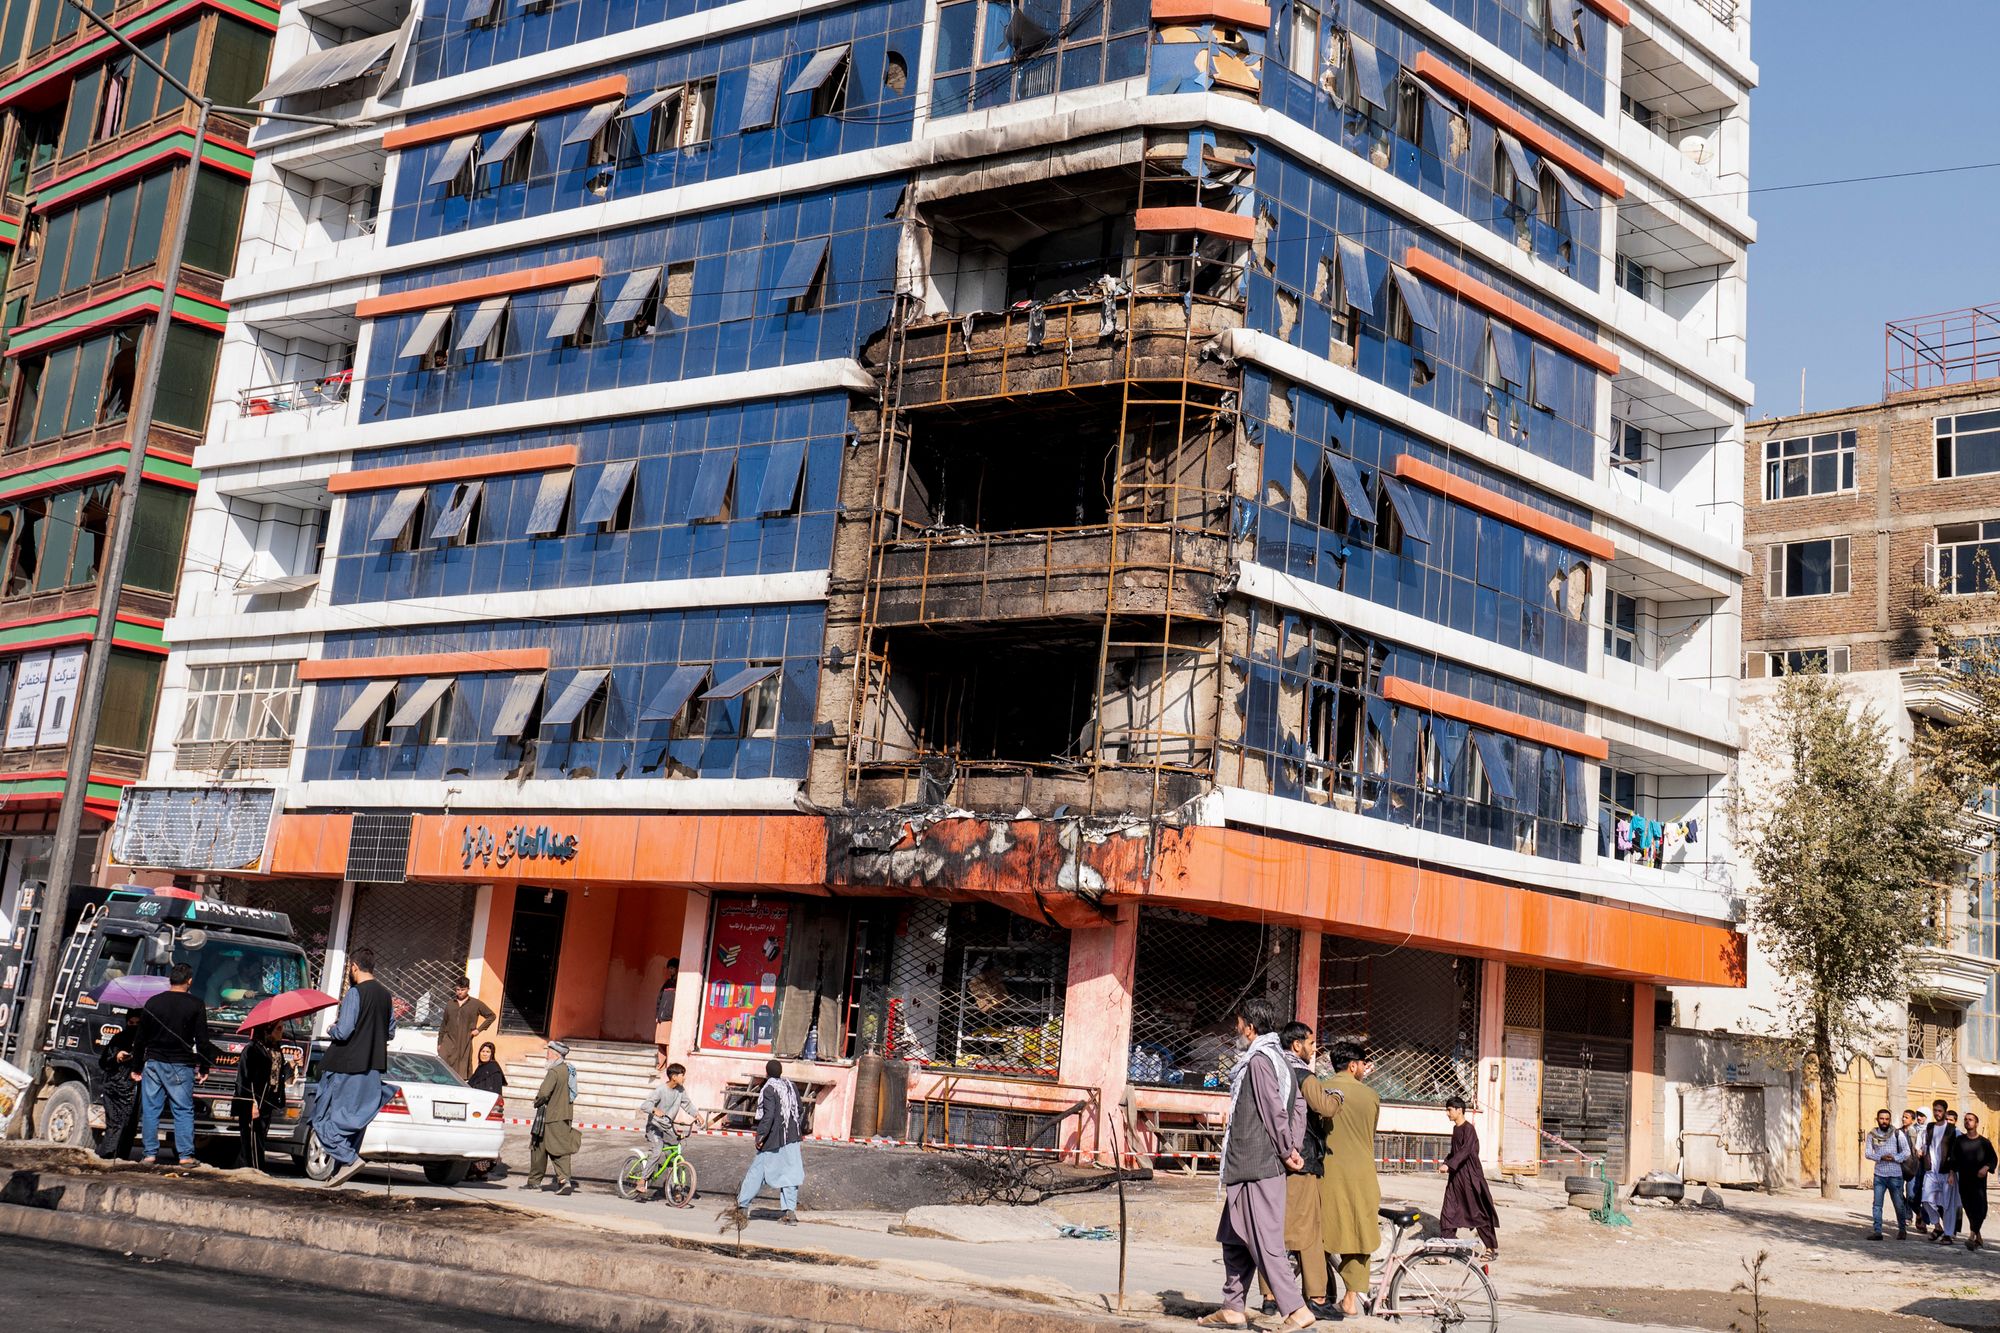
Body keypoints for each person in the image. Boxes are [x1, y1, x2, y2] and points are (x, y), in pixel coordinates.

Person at [1200, 999, 1310, 1331]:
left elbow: (1274, 1109)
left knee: (1264, 1239)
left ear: (1249, 1027)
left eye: (1238, 1024)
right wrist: (1294, 1143)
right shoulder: (1280, 1059)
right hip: (1247, 1163)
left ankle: (1296, 1310)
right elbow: (1299, 1106)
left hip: (1257, 1163)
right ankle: (1233, 1306)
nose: (1236, 1030)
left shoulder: (1261, 1061)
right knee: (1234, 1236)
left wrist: (1287, 1147)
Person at [1305, 1041, 1381, 1319]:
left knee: (1319, 1234)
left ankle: (1317, 1294)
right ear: (1353, 1065)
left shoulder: (1322, 1090)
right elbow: (1369, 1134)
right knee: (1358, 1236)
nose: (1364, 1069)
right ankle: (1350, 1300)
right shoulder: (1370, 1095)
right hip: (1362, 1176)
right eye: (1362, 1064)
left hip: (1328, 1175)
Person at [311, 947, 396, 1189]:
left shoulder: (355, 993)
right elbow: (390, 1031)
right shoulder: (386, 996)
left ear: (354, 967)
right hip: (372, 1068)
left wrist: (331, 1028)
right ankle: (338, 1172)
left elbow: (345, 1030)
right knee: (354, 1121)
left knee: (323, 1117)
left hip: (346, 1065)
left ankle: (349, 1159)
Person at [1258, 1022, 1327, 1315]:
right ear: (1297, 1045)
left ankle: (1269, 1295)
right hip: (1300, 1160)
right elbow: (1320, 1109)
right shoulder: (1302, 1075)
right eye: (1311, 1044)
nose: (1314, 1049)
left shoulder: (1266, 1068)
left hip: (1269, 1159)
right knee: (1307, 1230)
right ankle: (1315, 1297)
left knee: (1271, 1227)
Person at [137, 963, 218, 1167]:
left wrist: (136, 1067)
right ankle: (185, 1156)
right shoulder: (196, 1004)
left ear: (170, 980)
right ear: (189, 981)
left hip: (153, 1063)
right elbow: (202, 1040)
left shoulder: (153, 1002)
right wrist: (205, 1067)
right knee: (182, 1110)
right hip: (181, 1065)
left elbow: (140, 1039)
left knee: (150, 1110)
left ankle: (149, 1155)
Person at [721, 1059, 805, 1229]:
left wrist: (760, 1136)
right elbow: (800, 1110)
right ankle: (790, 1212)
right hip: (793, 1137)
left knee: (757, 1171)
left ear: (767, 1073)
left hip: (774, 1138)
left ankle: (742, 1207)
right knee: (790, 1174)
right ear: (780, 1071)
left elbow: (769, 1115)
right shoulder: (791, 1085)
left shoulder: (769, 1088)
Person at [1438, 1095, 1499, 1255]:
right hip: (1456, 1178)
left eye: (1449, 1110)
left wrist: (1449, 1164)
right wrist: (1446, 1161)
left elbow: (1465, 1151)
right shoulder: (1456, 1129)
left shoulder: (1468, 1129)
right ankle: (1446, 1251)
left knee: (1478, 1213)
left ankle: (1491, 1248)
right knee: (1448, 1213)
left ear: (1459, 1110)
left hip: (1470, 1178)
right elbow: (1455, 1152)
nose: (1447, 1113)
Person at [524, 1040, 581, 1195]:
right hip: (563, 1116)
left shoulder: (554, 1072)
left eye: (548, 1053)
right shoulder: (568, 1070)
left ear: (556, 1055)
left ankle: (563, 1180)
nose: (546, 1056)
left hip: (551, 1117)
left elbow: (544, 1093)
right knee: (539, 1147)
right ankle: (534, 1182)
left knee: (558, 1150)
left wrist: (537, 1101)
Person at [233, 1021, 288, 1172]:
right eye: (278, 1028)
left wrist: (292, 1065)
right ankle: (256, 1172)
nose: (282, 1032)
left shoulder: (276, 1050)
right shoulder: (252, 1049)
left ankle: (245, 1172)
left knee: (259, 1140)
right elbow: (244, 1079)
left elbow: (278, 1075)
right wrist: (251, 1103)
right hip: (252, 1102)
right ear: (267, 1030)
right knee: (251, 1141)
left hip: (268, 1101)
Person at [95, 1009, 145, 1162]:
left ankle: (122, 1156)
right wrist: (117, 1057)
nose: (134, 1026)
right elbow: (104, 1062)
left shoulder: (146, 1041)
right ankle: (108, 1152)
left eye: (138, 1023)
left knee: (130, 1125)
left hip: (136, 1087)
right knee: (115, 1122)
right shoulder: (118, 1038)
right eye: (131, 1023)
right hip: (115, 1086)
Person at [1863, 1107, 1912, 1241]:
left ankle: (1902, 1230)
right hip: (1879, 1175)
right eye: (1881, 1119)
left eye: (1886, 1119)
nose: (1884, 1121)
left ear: (1889, 1120)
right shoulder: (1872, 1135)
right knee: (1877, 1205)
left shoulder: (1897, 1134)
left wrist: (1895, 1157)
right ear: (1877, 1120)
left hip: (1895, 1175)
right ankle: (1877, 1231)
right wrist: (1881, 1157)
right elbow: (1868, 1153)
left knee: (1899, 1205)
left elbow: (1906, 1151)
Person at [436, 975, 496, 1082]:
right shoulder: (450, 1004)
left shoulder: (475, 1004)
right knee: (443, 1069)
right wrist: (439, 1043)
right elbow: (443, 1024)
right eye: (457, 989)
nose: (459, 992)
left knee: (460, 1073)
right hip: (448, 1041)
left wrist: (479, 1029)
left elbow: (491, 1016)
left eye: (462, 990)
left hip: (465, 1041)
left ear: (468, 989)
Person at [466, 1041, 506, 1180]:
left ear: (492, 1054)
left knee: (481, 1141)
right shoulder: (481, 1068)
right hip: (476, 1109)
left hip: (486, 1109)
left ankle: (478, 1171)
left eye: (488, 1052)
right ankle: (475, 1171)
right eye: (483, 1051)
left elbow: (496, 1092)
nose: (484, 1054)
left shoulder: (494, 1069)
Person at [1957, 1111, 1996, 1252]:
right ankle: (1978, 1238)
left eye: (1971, 1119)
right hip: (1964, 1180)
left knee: (1981, 1209)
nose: (1968, 1122)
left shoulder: (1984, 1142)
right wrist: (1950, 1174)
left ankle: (1972, 1235)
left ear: (1976, 1123)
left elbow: (1993, 1159)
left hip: (1979, 1182)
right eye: (1966, 1119)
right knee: (1968, 1208)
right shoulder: (1959, 1141)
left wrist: (1986, 1167)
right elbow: (1953, 1158)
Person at [1924, 1098, 1961, 1243]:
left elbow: (1955, 1152)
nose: (1937, 1113)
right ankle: (1937, 1226)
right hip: (1931, 1170)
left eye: (1940, 1111)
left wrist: (1952, 1172)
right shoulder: (1930, 1127)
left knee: (1947, 1204)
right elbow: (1927, 1145)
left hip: (1947, 1171)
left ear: (1945, 1112)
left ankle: (1948, 1234)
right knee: (1926, 1200)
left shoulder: (1953, 1130)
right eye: (1935, 1110)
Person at [655, 958, 681, 1069]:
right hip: (661, 1017)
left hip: (669, 1018)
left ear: (677, 969)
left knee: (667, 1043)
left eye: (672, 968)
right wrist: (657, 1015)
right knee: (660, 1042)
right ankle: (660, 1064)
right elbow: (659, 999)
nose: (670, 970)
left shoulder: (679, 984)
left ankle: (668, 1066)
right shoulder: (667, 983)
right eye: (669, 968)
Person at [1905, 1109, 1929, 1223]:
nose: (1920, 1118)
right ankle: (1910, 1216)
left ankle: (1922, 1219)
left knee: (1924, 1194)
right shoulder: (1910, 1130)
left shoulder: (1931, 1130)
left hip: (1926, 1167)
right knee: (1910, 1194)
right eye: (1918, 1115)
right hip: (1913, 1166)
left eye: (1922, 1116)